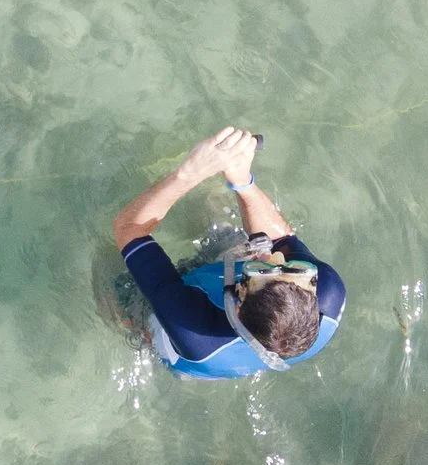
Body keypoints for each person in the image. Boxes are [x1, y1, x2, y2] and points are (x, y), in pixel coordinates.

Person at [111, 126, 347, 380]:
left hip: (191, 339)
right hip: (245, 320)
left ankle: (132, 325)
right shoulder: (328, 291)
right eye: (292, 268)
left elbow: (127, 229)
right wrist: (242, 180)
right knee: (222, 212)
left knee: (115, 286)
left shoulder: (194, 331)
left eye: (260, 270)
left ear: (237, 308)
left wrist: (190, 173)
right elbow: (282, 239)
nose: (273, 256)